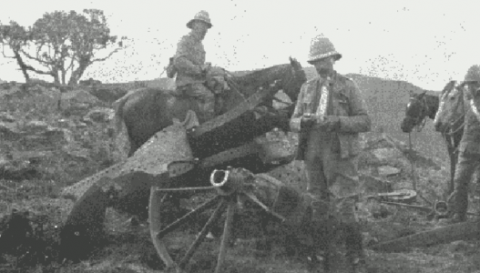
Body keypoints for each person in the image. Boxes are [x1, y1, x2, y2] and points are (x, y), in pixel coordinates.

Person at [290, 34, 371, 272]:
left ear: (333, 59)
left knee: (346, 204)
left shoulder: (348, 86)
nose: (319, 66)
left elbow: (364, 121)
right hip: (313, 151)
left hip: (339, 152)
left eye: (323, 60)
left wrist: (336, 121)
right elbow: (292, 120)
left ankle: (355, 257)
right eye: (315, 61)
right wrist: (301, 122)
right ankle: (319, 255)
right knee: (318, 203)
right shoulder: (306, 88)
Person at [447, 64, 480, 223]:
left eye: (473, 83)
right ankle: (459, 215)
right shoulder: (465, 100)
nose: (470, 87)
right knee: (459, 181)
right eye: (468, 84)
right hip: (467, 147)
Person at [173, 10, 215, 123]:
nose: (205, 30)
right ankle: (207, 128)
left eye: (206, 26)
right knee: (209, 97)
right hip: (186, 83)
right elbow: (179, 61)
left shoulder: (199, 45)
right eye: (203, 25)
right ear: (195, 25)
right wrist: (199, 69)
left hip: (197, 82)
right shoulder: (186, 40)